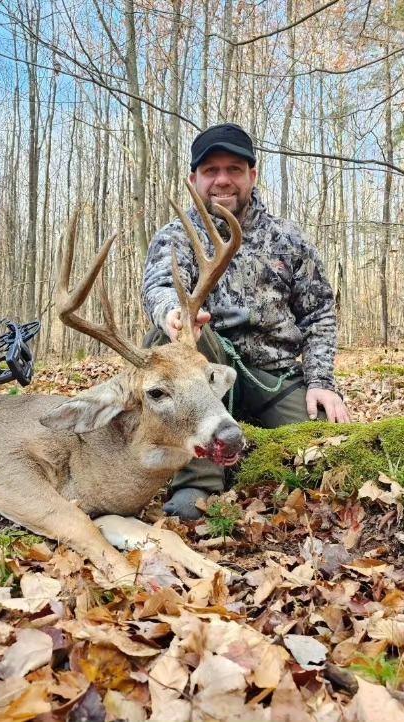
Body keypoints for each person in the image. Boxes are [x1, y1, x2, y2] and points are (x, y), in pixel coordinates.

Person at [142, 122, 350, 519]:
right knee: (171, 340)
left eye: (234, 169)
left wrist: (322, 382)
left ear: (252, 175)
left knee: (328, 446)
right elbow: (159, 286)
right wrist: (174, 315)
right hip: (207, 368)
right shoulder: (176, 236)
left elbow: (319, 312)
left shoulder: (288, 239)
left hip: (273, 376)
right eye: (211, 170)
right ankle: (198, 485)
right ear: (194, 179)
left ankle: (254, 443)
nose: (222, 180)